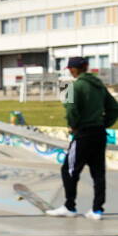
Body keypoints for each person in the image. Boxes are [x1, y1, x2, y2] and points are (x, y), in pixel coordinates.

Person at [48, 56, 118, 219]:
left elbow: (71, 110)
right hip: (99, 133)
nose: (70, 71)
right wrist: (103, 123)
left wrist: (74, 126)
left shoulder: (73, 86)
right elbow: (114, 108)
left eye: (71, 69)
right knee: (98, 173)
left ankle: (69, 206)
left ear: (74, 69)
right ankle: (97, 210)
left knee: (69, 170)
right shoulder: (99, 85)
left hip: (83, 134)